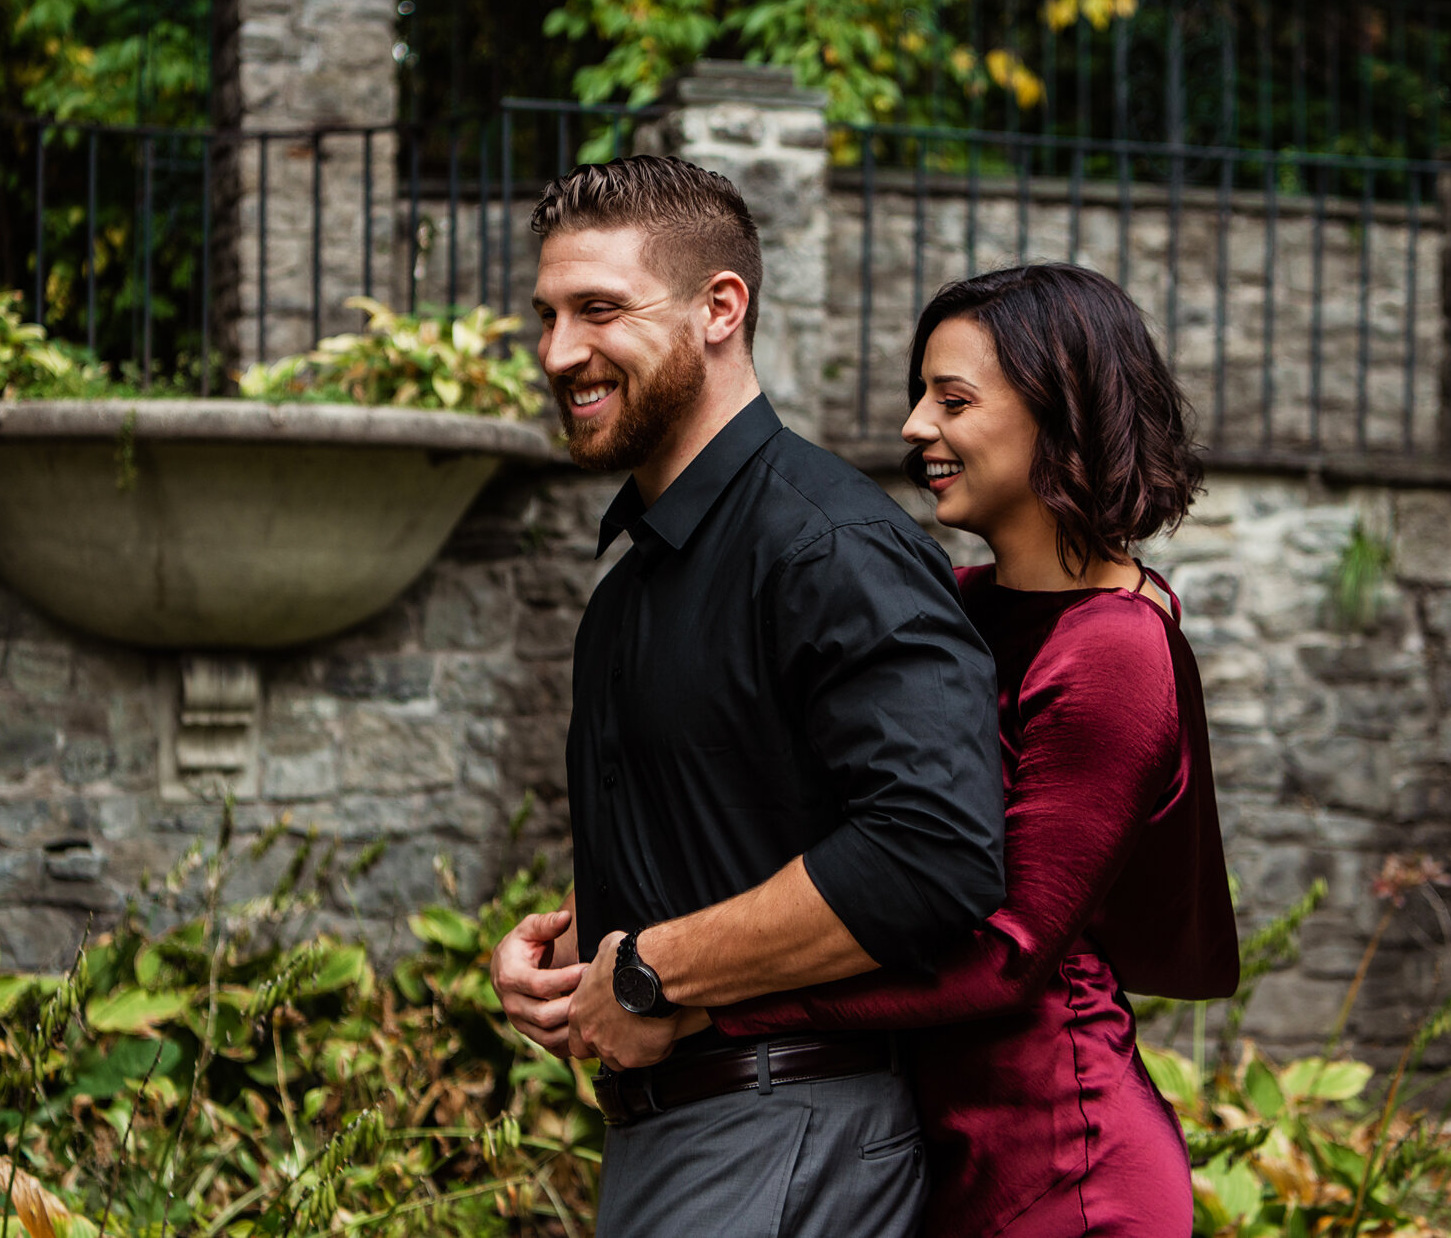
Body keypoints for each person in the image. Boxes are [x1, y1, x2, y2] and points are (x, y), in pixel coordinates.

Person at [491, 155, 1007, 1237]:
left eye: (597, 309)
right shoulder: (633, 582)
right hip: (683, 1138)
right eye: (545, 314)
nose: (557, 352)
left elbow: (932, 849)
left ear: (720, 307)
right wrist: (575, 958)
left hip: (787, 1124)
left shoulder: (825, 543)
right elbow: (742, 829)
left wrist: (645, 972)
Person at [690, 263, 1240, 1237]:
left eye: (951, 399)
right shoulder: (958, 609)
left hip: (1065, 1166)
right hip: (940, 1146)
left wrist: (715, 1002)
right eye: (919, 394)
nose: (912, 427)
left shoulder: (1114, 648)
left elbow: (1005, 959)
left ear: (1060, 413)